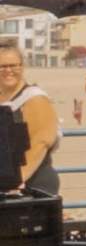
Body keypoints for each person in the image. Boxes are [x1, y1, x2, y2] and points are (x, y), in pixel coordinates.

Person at [0, 42, 56, 202]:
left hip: (33, 184)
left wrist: (18, 181)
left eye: (13, 65)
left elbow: (40, 143)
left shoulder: (35, 98)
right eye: (2, 66)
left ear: (22, 67)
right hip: (6, 185)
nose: (8, 71)